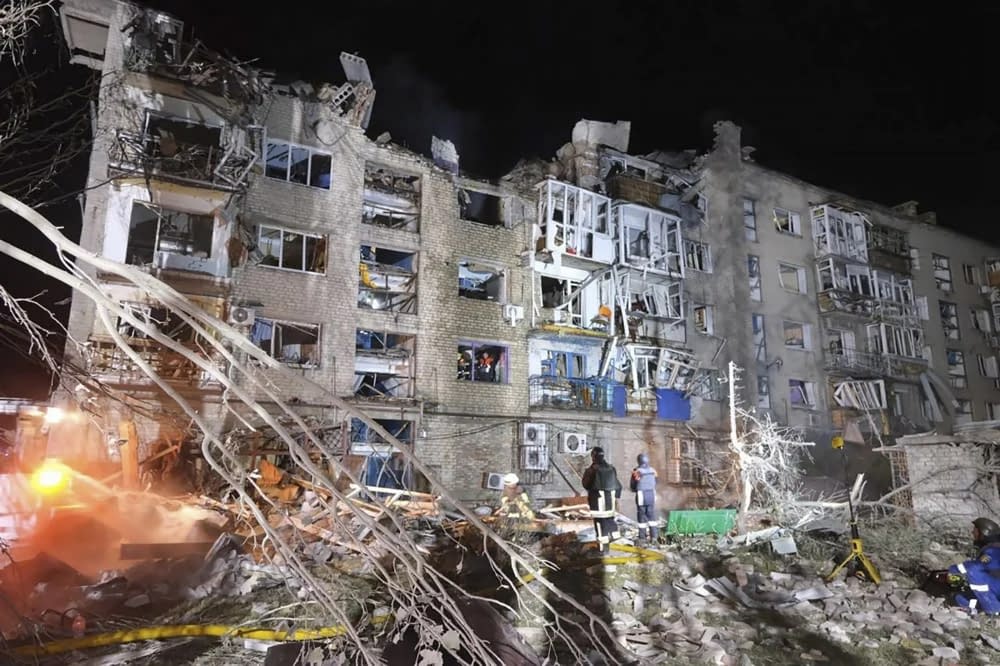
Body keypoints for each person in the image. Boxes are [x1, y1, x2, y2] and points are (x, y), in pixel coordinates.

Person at [948, 516, 1000, 614]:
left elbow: (975, 567)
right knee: (959, 598)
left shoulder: (994, 550)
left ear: (984, 533)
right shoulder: (990, 548)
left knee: (973, 572)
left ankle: (994, 611)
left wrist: (954, 570)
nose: (972, 533)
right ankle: (977, 611)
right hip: (995, 590)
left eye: (975, 531)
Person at [581, 447, 622, 552]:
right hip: (610, 501)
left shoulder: (592, 470)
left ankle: (603, 550)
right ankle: (615, 541)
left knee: (600, 524)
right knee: (609, 520)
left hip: (598, 501)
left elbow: (586, 484)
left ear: (593, 456)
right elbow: (618, 485)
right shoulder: (611, 468)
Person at [630, 453, 658, 543]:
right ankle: (654, 537)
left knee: (641, 516)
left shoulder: (637, 471)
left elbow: (633, 486)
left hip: (641, 495)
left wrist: (635, 488)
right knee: (651, 515)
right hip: (652, 494)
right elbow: (656, 482)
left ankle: (642, 538)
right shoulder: (653, 471)